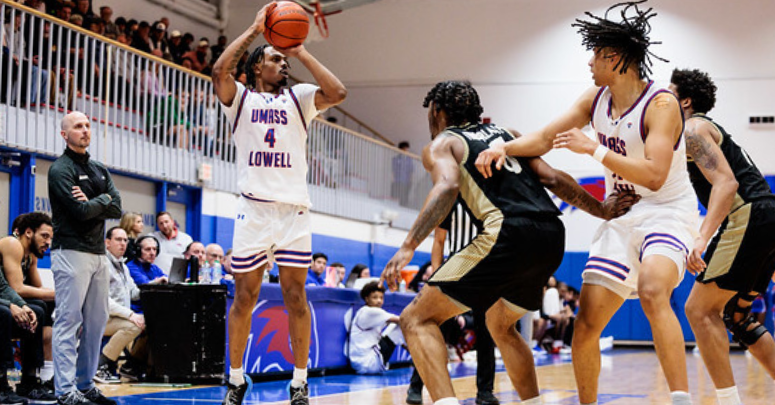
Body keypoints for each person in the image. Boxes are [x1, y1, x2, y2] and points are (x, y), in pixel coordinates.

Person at [474, 4, 697, 404]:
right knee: (586, 325)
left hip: (667, 210)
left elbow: (654, 175)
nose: (590, 62)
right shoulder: (596, 97)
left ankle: (681, 399)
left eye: (595, 54)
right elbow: (545, 137)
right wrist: (501, 147)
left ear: (614, 57)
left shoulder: (661, 105)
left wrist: (593, 150)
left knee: (651, 289)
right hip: (623, 214)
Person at [380, 80, 637, 405]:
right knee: (499, 323)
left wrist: (408, 245)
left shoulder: (444, 143)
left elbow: (446, 187)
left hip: (505, 233)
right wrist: (600, 209)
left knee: (414, 318)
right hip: (550, 235)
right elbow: (552, 178)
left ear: (438, 111)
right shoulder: (508, 135)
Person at [213, 3, 347, 404]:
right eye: (275, 59)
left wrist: (299, 49)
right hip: (254, 210)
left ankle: (299, 381)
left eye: (283, 60)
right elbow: (220, 71)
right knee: (245, 298)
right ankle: (236, 379)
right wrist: (256, 30)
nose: (282, 64)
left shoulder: (301, 98)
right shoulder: (239, 99)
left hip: (294, 212)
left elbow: (338, 92)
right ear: (256, 67)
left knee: (295, 298)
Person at [670, 68, 775, 405]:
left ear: (685, 101)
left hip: (749, 216)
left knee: (698, 311)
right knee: (737, 316)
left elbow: (727, 184)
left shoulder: (693, 129)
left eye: (668, 93)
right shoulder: (697, 132)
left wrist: (701, 238)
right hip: (765, 216)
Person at [49, 111, 122, 405]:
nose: (85, 130)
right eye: (78, 126)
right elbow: (79, 213)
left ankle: (85, 382)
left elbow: (116, 208)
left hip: (97, 254)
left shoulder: (99, 169)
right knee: (69, 319)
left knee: (96, 320)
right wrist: (101, 200)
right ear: (65, 134)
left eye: (88, 126)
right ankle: (65, 390)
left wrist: (98, 200)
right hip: (70, 250)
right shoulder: (60, 170)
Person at [406, 200, 499, 405]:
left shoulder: (496, 200)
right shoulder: (453, 199)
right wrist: (437, 277)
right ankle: (416, 385)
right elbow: (439, 241)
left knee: (486, 334)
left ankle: (485, 391)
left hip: (486, 274)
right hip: (455, 271)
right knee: (433, 329)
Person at [0, 212, 57, 403]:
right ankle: (3, 382)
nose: (48, 242)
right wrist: (61, 293)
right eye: (44, 236)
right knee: (5, 313)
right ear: (28, 233)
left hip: (5, 299)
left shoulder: (29, 255)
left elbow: (37, 289)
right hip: (4, 305)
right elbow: (15, 288)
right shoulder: (12, 244)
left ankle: (31, 380)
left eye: (50, 237)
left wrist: (26, 307)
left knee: (41, 308)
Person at [95, 227, 145, 384]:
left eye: (125, 240)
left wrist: (153, 288)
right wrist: (130, 315)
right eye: (118, 239)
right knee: (133, 326)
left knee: (149, 323)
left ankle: (131, 367)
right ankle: (100, 366)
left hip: (115, 317)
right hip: (98, 317)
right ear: (107, 242)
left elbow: (133, 293)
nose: (123, 243)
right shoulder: (102, 264)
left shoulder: (123, 266)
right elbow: (103, 300)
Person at [347, 281, 403, 374]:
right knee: (401, 327)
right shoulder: (369, 312)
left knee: (397, 326)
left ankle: (418, 360)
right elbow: (402, 320)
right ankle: (420, 361)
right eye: (375, 297)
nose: (379, 301)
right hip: (368, 362)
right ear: (366, 299)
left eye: (381, 298)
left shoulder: (365, 311)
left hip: (361, 363)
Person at [391, 141, 414, 207]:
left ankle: (403, 207)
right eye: (405, 149)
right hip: (397, 181)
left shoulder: (409, 160)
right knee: (396, 196)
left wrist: (410, 181)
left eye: (407, 149)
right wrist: (393, 181)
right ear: (401, 149)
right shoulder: (395, 159)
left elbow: (411, 171)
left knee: (404, 198)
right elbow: (393, 171)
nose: (406, 151)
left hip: (406, 182)